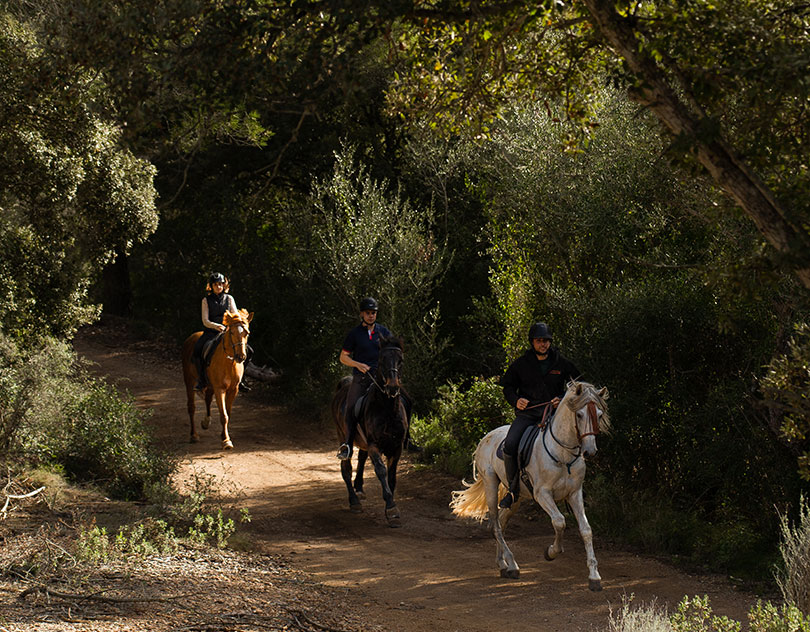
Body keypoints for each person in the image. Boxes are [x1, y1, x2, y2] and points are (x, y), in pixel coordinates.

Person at [497, 322, 580, 509]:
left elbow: (578, 385)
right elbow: (507, 387)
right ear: (532, 342)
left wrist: (562, 398)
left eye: (546, 341)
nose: (543, 344)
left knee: (577, 440)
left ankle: (573, 487)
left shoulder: (561, 363)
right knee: (510, 445)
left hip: (554, 416)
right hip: (528, 415)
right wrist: (516, 400)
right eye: (539, 341)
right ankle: (512, 489)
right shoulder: (521, 364)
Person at [336, 297, 418, 460]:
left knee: (407, 401)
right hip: (361, 378)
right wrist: (358, 364)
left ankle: (407, 440)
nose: (371, 316)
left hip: (382, 379)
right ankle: (348, 445)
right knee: (350, 407)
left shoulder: (384, 332)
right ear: (362, 314)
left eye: (373, 313)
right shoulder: (354, 334)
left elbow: (393, 352)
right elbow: (343, 357)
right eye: (368, 313)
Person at [192, 272, 251, 391]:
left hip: (228, 332)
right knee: (197, 350)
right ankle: (202, 380)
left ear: (224, 285)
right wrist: (217, 326)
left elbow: (235, 315)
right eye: (215, 284)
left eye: (220, 284)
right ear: (211, 286)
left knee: (249, 351)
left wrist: (234, 326)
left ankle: (241, 380)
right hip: (211, 332)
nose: (218, 286)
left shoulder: (229, 299)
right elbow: (205, 320)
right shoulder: (206, 300)